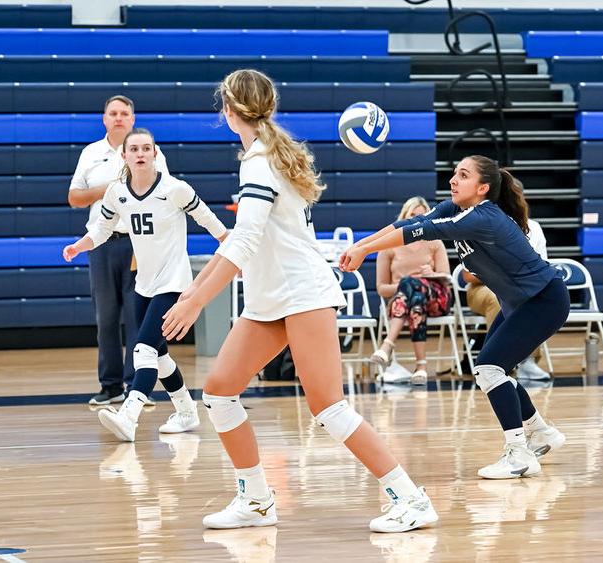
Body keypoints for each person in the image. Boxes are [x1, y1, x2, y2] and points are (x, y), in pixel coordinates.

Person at [160, 69, 437, 533]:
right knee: (220, 392)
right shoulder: (267, 153)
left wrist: (193, 301)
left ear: (229, 112)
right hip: (270, 297)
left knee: (328, 407)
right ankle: (257, 499)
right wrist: (193, 293)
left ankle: (411, 498)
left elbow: (242, 241)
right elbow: (241, 242)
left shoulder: (259, 161)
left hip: (303, 294)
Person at [341, 156, 568, 479]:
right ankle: (540, 432)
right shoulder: (456, 208)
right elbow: (405, 225)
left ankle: (518, 455)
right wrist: (361, 246)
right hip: (523, 302)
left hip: (544, 300)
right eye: (454, 173)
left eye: (463, 175)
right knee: (493, 369)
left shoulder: (483, 217)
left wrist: (365, 250)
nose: (453, 180)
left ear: (482, 188)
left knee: (489, 368)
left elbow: (419, 232)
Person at [63, 128, 228, 441]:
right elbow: (101, 229)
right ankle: (186, 411)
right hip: (145, 284)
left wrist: (227, 241)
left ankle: (129, 415)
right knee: (160, 355)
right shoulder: (116, 192)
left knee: (143, 348)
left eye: (146, 148)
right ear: (124, 156)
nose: (140, 154)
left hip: (174, 282)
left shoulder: (175, 189)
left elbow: (206, 218)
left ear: (155, 153)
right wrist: (79, 245)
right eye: (134, 149)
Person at [68, 95, 170, 406]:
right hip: (100, 243)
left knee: (137, 315)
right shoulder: (91, 153)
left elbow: (162, 191)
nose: (118, 118)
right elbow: (75, 197)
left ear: (133, 118)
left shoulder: (149, 151)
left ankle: (136, 385)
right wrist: (110, 189)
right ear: (104, 119)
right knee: (106, 317)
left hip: (138, 243)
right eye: (112, 113)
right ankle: (109, 385)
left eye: (124, 113)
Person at [371, 196, 451, 384]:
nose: (417, 220)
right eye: (413, 215)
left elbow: (446, 279)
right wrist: (406, 285)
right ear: (404, 217)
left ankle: (387, 345)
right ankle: (421, 366)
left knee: (411, 285)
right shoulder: (388, 246)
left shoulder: (434, 242)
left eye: (422, 216)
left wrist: (430, 274)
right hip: (406, 302)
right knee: (413, 298)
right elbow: (382, 289)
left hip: (436, 299)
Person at [463, 216, 551, 381]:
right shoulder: (478, 225)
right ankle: (498, 362)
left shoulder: (534, 227)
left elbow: (542, 267)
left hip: (521, 284)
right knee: (499, 297)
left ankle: (527, 361)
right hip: (483, 287)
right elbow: (467, 274)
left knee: (533, 296)